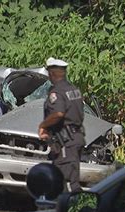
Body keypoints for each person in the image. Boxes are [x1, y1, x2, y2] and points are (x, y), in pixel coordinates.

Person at [38, 57, 85, 192]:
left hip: (66, 142)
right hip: (76, 138)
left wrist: (43, 125)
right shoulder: (73, 90)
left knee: (67, 184)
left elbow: (58, 113)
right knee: (70, 180)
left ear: (51, 74)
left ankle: (70, 211)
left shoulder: (57, 92)